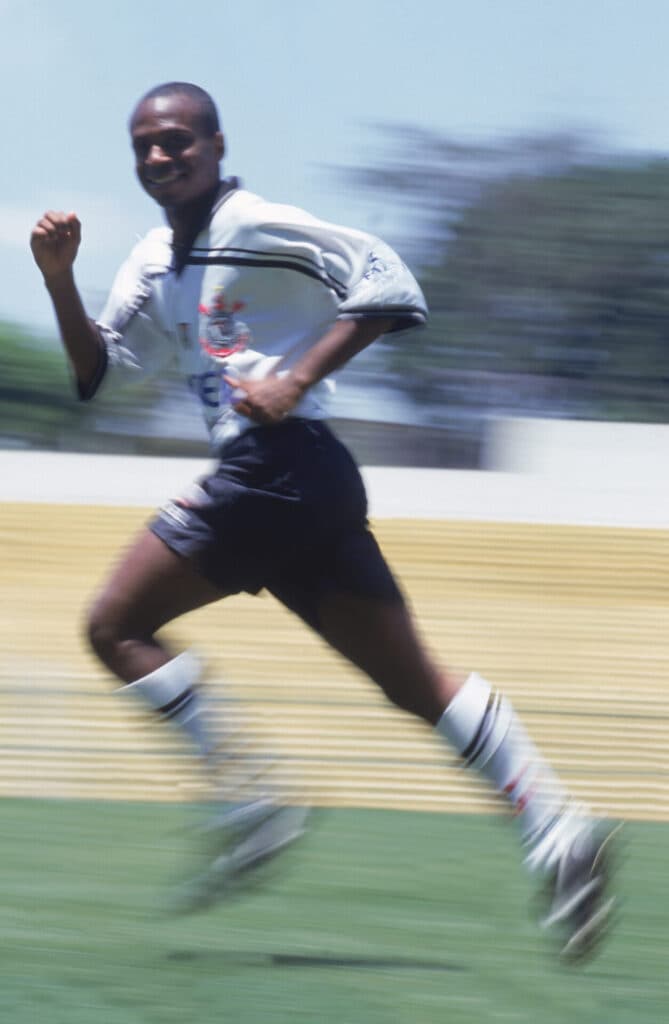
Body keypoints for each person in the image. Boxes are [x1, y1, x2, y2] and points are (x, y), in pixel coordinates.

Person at [30, 81, 616, 961]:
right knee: (414, 684)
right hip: (307, 484)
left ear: (217, 146)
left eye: (178, 141)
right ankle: (559, 828)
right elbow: (98, 374)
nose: (160, 157)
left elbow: (388, 281)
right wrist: (59, 280)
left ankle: (252, 800)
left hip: (276, 468)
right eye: (144, 146)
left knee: (115, 625)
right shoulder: (154, 259)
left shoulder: (256, 224)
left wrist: (293, 379)